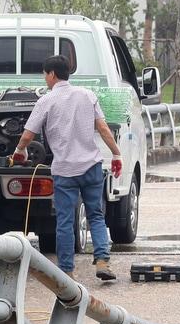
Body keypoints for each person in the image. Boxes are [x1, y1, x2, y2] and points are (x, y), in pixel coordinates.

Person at [10, 54, 123, 281]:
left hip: (64, 170)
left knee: (64, 220)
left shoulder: (46, 101)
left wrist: (19, 151)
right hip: (91, 166)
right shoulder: (87, 95)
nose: (45, 79)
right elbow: (102, 128)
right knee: (96, 216)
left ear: (52, 74)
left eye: (45, 74)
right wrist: (116, 153)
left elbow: (28, 134)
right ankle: (102, 261)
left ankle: (66, 271)